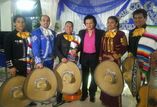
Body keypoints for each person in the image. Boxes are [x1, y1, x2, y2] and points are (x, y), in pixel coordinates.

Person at [4, 15, 36, 106]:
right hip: (16, 64)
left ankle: (28, 100)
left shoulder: (29, 35)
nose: (21, 24)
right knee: (17, 84)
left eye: (22, 22)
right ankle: (17, 101)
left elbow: (32, 49)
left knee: (27, 82)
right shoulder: (10, 36)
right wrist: (11, 66)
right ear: (14, 23)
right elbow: (7, 53)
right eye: (18, 21)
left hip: (28, 64)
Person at [128, 9, 157, 103]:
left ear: (145, 18)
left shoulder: (153, 30)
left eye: (140, 17)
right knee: (137, 85)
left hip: (151, 63)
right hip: (136, 64)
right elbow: (131, 49)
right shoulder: (131, 32)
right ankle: (140, 102)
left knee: (151, 86)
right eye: (135, 18)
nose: (137, 20)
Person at [99, 16, 127, 107]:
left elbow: (124, 47)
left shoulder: (121, 34)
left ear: (116, 23)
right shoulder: (104, 33)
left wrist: (115, 57)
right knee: (105, 79)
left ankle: (114, 103)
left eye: (111, 22)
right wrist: (100, 57)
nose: (109, 24)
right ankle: (105, 100)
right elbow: (101, 47)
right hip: (104, 60)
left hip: (114, 60)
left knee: (114, 80)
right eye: (108, 22)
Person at [54, 21, 81, 106]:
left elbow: (79, 47)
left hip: (72, 62)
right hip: (63, 62)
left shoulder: (76, 37)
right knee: (60, 79)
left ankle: (68, 96)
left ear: (73, 28)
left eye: (71, 26)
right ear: (64, 27)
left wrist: (76, 50)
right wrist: (62, 57)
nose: (69, 28)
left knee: (70, 78)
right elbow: (56, 48)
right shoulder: (60, 36)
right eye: (67, 26)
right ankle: (58, 99)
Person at [78, 15, 104, 102]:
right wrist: (74, 50)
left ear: (94, 23)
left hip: (95, 57)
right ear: (85, 24)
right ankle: (84, 94)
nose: (89, 25)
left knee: (94, 76)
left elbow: (102, 46)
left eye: (91, 23)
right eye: (87, 23)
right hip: (84, 56)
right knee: (84, 76)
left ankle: (92, 94)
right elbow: (78, 44)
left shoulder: (101, 32)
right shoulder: (81, 32)